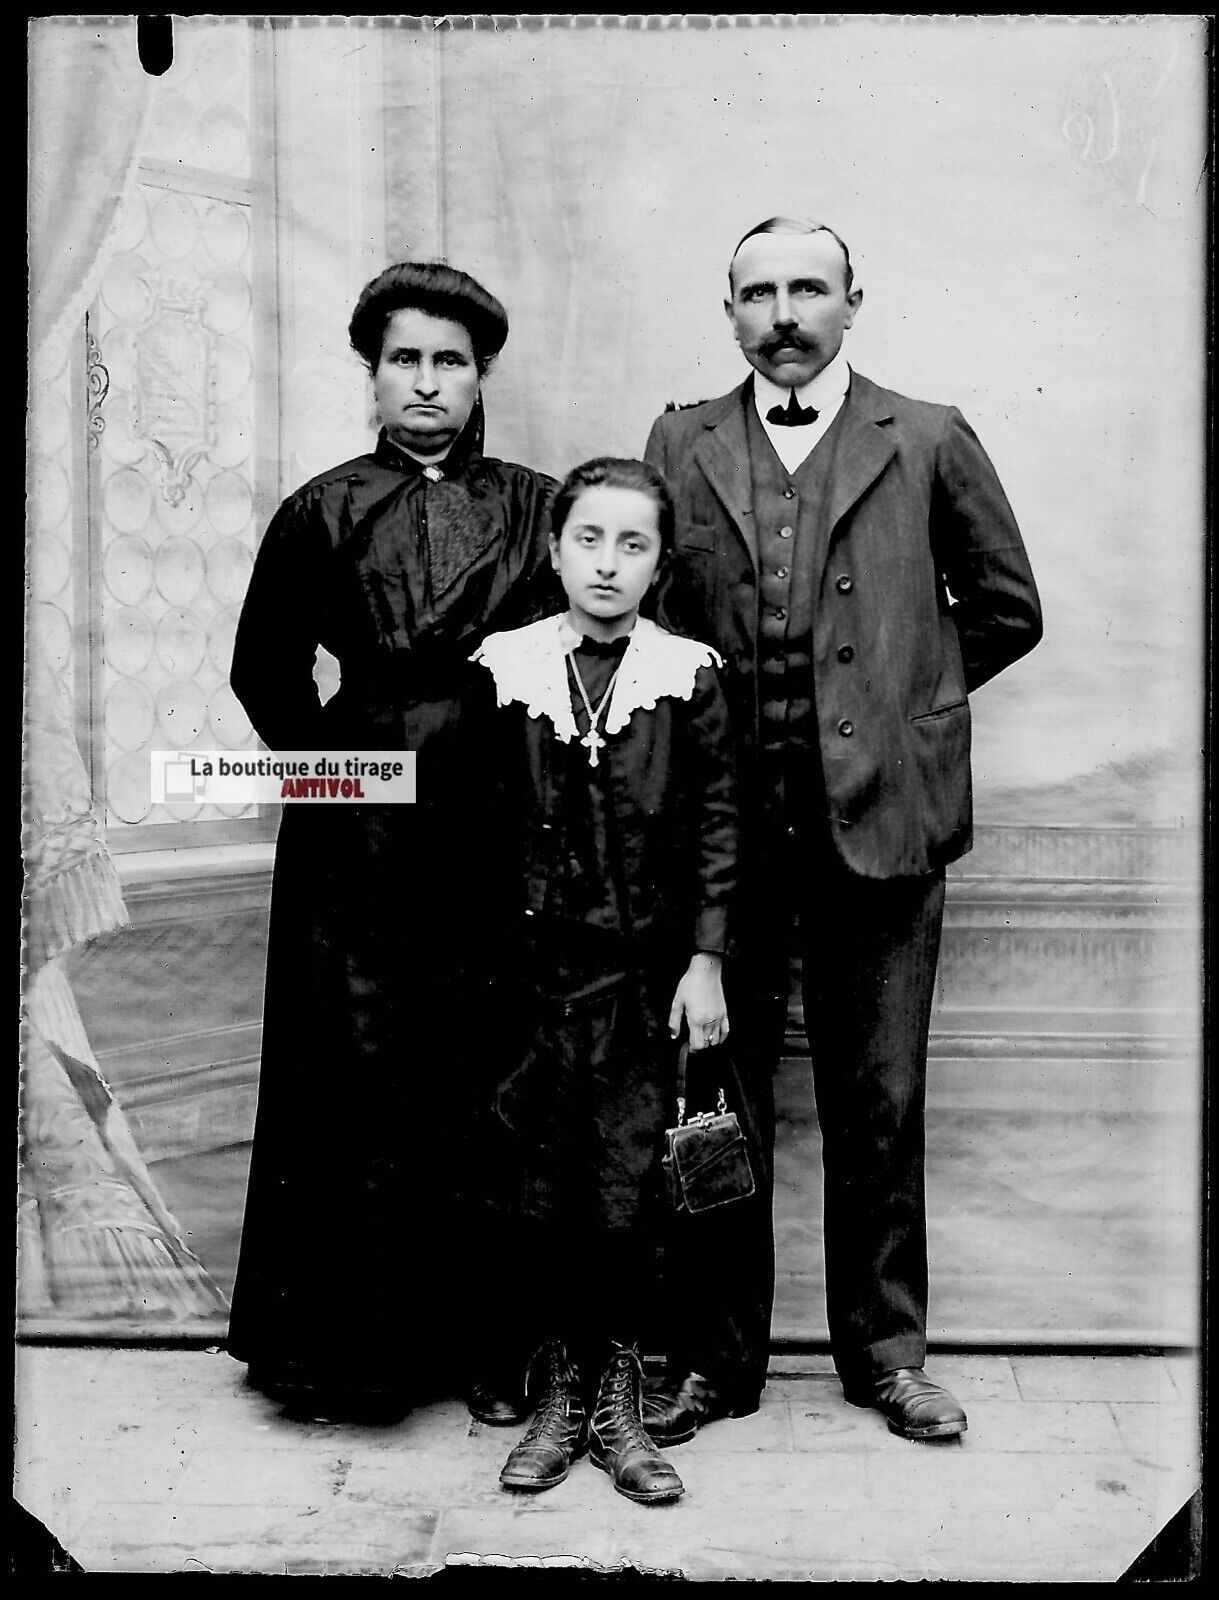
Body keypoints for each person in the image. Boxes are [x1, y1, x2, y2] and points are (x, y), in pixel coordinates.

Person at [641, 217, 1042, 1443]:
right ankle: (717, 1360)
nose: (782, 313)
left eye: (806, 288)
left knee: (879, 1098)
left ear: (853, 302)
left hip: (885, 826)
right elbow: (654, 621)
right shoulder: (680, 439)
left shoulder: (924, 436)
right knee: (715, 1097)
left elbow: (1008, 608)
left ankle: (884, 1356)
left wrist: (902, 704)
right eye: (756, 293)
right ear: (728, 315)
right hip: (725, 840)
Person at [226, 262, 562, 1420]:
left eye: (451, 362)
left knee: (487, 1070)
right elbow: (262, 671)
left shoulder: (536, 506)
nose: (427, 384)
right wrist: (341, 780)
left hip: (498, 817)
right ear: (371, 374)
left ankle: (495, 1352)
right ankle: (347, 1355)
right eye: (405, 360)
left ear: (480, 380)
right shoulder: (321, 509)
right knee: (358, 1075)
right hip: (352, 842)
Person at [468, 457, 740, 1503]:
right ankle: (559, 1386)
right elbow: (472, 825)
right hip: (533, 981)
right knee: (541, 1183)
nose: (607, 564)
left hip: (644, 985)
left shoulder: (689, 674)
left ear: (659, 562)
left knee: (631, 1186)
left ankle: (622, 1396)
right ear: (553, 548)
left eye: (633, 545)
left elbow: (721, 827)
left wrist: (705, 959)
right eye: (589, 539)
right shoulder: (505, 667)